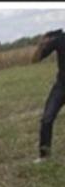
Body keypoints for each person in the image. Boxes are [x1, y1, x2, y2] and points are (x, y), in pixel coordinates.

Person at [33, 29, 65, 163]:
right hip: (62, 85)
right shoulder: (60, 39)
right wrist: (41, 44)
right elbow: (35, 60)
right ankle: (44, 155)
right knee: (47, 119)